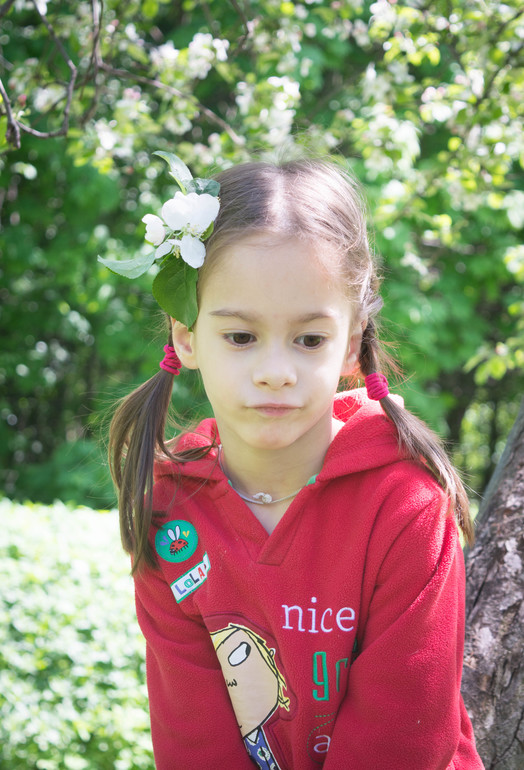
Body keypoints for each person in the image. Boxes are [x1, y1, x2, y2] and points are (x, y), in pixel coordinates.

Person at [106, 156, 484, 769]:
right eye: (240, 336)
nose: (276, 372)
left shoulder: (407, 508)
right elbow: (194, 743)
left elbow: (402, 743)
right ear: (186, 336)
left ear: (352, 341)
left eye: (309, 339)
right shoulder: (169, 512)